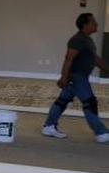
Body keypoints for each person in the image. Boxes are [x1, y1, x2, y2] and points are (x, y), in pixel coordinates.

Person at [41, 13, 109, 143]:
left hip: (78, 77)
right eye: (93, 22)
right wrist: (63, 77)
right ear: (85, 24)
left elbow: (95, 59)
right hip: (77, 77)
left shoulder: (87, 39)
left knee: (62, 101)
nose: (96, 24)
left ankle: (49, 126)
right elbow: (69, 58)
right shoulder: (78, 39)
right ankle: (102, 133)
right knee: (90, 103)